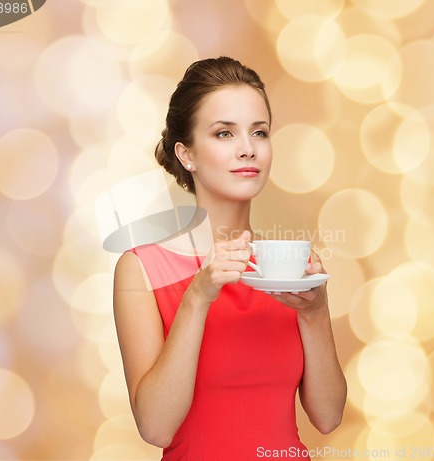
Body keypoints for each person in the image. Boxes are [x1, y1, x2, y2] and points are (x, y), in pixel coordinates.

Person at [113, 56, 347, 460]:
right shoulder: (142, 269)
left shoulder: (289, 268)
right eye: (224, 134)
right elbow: (155, 427)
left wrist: (316, 312)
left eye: (259, 132)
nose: (247, 149)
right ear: (187, 155)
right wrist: (197, 298)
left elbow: (327, 416)